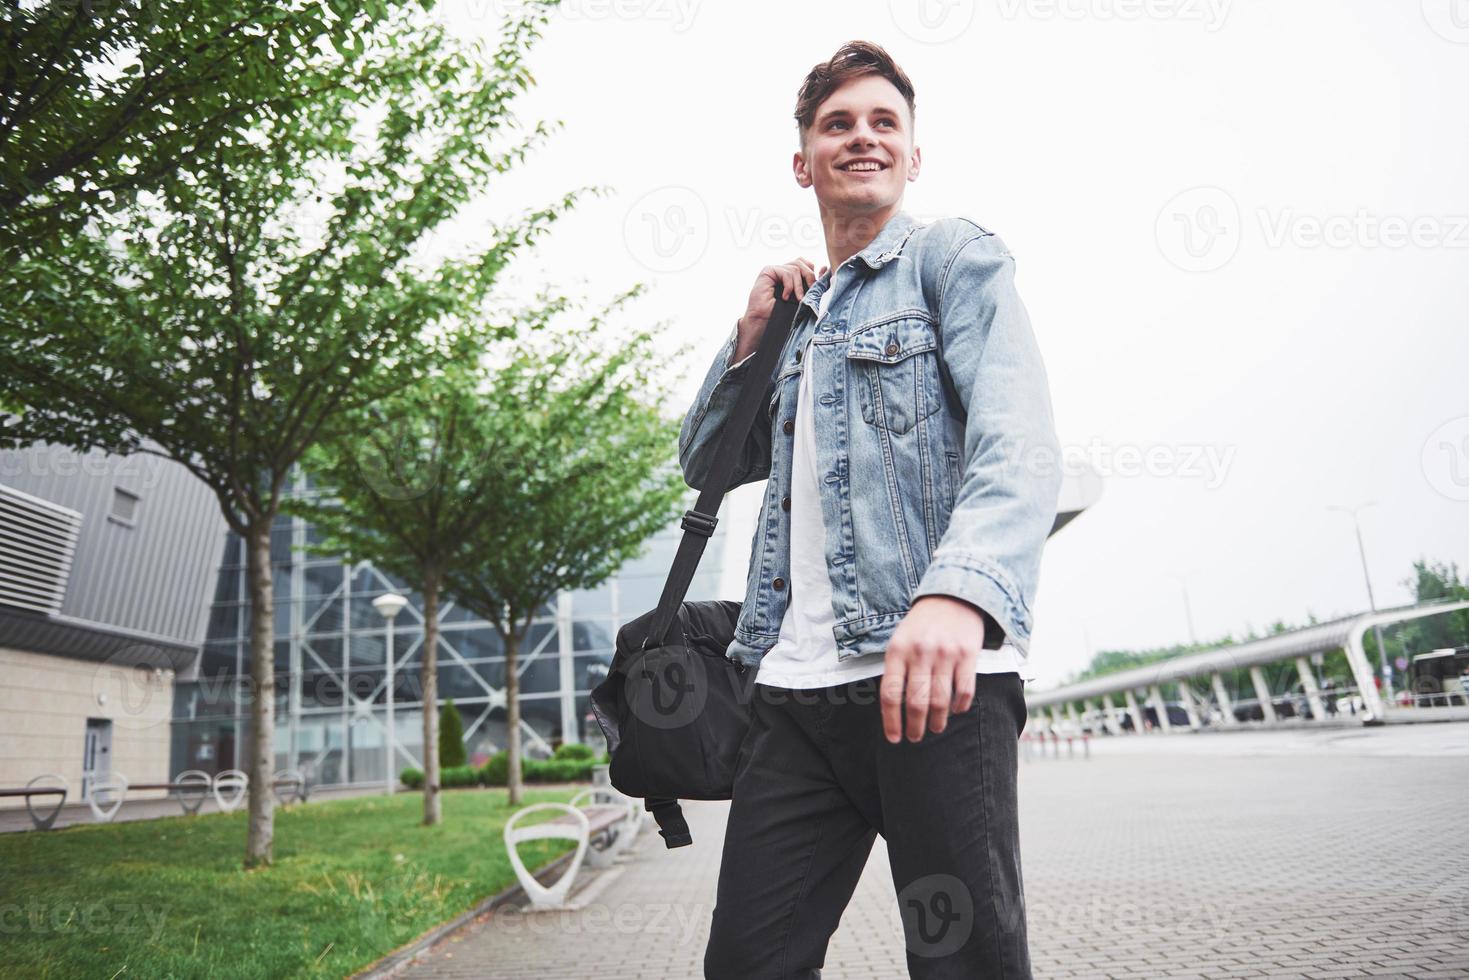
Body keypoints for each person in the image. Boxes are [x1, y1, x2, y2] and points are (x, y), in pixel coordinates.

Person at [677, 41, 1063, 979]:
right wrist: (750, 339)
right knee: (746, 964)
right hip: (791, 695)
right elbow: (703, 465)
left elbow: (1019, 446)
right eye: (836, 123)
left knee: (961, 960)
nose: (862, 138)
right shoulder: (795, 322)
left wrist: (956, 595)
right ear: (801, 160)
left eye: (884, 122)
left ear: (912, 154)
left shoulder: (951, 259)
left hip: (932, 686)